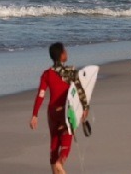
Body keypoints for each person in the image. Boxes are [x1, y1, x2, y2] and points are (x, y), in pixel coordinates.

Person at [31, 42, 89, 174]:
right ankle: (60, 163)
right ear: (62, 55)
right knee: (67, 136)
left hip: (52, 112)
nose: (67, 53)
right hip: (65, 111)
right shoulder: (70, 72)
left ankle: (55, 169)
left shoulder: (47, 74)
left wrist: (35, 115)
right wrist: (85, 107)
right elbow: (80, 91)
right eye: (65, 51)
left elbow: (41, 95)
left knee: (54, 143)